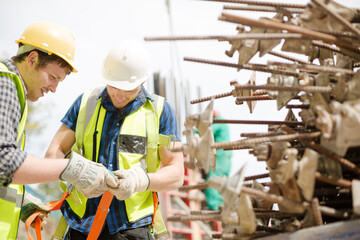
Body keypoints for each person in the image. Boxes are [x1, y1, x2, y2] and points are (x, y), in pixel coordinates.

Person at [45, 39, 184, 240]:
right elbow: (52, 154)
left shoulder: (161, 112)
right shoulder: (85, 103)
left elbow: (176, 173)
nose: (118, 95)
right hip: (82, 226)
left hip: (132, 229)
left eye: (128, 89)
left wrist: (140, 181)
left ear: (142, 81)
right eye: (114, 86)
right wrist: (78, 173)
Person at [0, 21, 117, 240]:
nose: (54, 88)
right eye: (53, 77)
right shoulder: (5, 84)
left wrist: (20, 198)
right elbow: (4, 160)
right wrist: (73, 168)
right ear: (32, 59)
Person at [204, 110, 232, 211]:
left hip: (220, 155)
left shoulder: (219, 121)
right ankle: (221, 205)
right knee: (222, 182)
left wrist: (195, 130)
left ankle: (215, 207)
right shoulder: (223, 124)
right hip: (225, 157)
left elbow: (207, 132)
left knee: (213, 180)